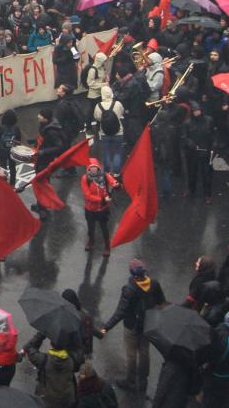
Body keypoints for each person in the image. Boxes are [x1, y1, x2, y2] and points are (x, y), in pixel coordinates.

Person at [99, 259, 166, 393]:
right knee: (144, 351)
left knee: (131, 354)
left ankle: (130, 381)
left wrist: (106, 327)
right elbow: (161, 302)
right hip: (147, 324)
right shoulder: (154, 283)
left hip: (132, 325)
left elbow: (121, 311)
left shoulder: (129, 289)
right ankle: (143, 380)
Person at [201, 310, 229, 405]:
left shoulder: (219, 329)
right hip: (223, 374)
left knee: (210, 396)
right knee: (218, 396)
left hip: (216, 373)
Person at [81, 159, 118, 256]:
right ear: (88, 169)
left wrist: (116, 184)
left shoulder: (104, 176)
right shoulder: (85, 178)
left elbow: (113, 182)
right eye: (91, 167)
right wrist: (102, 200)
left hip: (103, 209)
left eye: (95, 167)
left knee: (104, 228)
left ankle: (107, 246)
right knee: (91, 228)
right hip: (90, 209)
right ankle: (91, 241)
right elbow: (87, 195)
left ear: (98, 168)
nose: (93, 169)